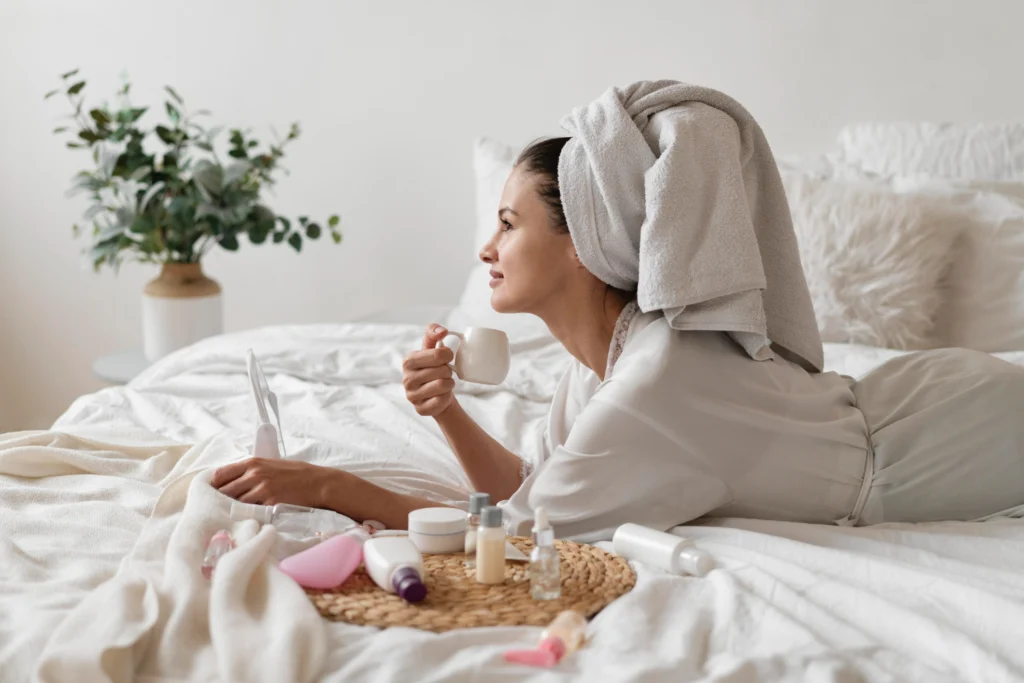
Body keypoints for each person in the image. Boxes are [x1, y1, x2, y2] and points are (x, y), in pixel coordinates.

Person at [213, 81, 1024, 541]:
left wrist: (323, 483)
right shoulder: (617, 355)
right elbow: (539, 489)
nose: (485, 247)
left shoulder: (661, 379)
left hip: (939, 438)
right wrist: (449, 411)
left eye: (507, 222)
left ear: (580, 243)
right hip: (902, 404)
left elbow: (518, 535)